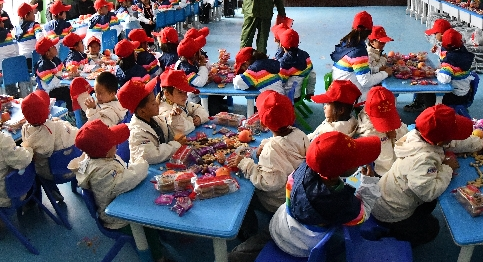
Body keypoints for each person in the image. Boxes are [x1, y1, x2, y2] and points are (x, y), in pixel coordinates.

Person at [362, 104, 483, 247]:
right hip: (391, 213)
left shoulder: (418, 134)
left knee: (430, 202)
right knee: (431, 229)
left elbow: (454, 143)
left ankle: (413, 217)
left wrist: (481, 144)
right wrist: (447, 169)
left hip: (393, 194)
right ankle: (394, 236)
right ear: (440, 142)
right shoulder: (421, 160)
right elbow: (428, 193)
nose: (453, 139)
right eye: (451, 136)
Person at [267, 131, 380, 258]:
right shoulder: (339, 203)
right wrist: (369, 183)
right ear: (336, 175)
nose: (359, 164)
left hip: (279, 226)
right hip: (299, 246)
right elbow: (361, 216)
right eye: (356, 162)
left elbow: (331, 178)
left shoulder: (302, 169)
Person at [70, 120, 167, 262]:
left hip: (121, 200)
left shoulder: (100, 158)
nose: (117, 146)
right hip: (118, 219)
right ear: (105, 151)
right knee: (148, 228)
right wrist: (142, 163)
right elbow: (128, 179)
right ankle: (157, 257)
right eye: (114, 144)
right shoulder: (103, 172)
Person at [227, 91, 310, 252]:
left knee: (242, 195)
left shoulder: (271, 150)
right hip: (296, 190)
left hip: (277, 200)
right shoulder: (298, 133)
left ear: (263, 124)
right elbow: (284, 145)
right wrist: (267, 143)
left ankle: (249, 232)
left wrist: (245, 163)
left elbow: (268, 182)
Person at [118, 76, 185, 165]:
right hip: (148, 170)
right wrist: (175, 145)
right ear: (142, 111)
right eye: (153, 103)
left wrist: (175, 118)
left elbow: (173, 134)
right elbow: (153, 155)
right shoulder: (137, 133)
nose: (157, 103)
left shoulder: (156, 120)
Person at [330, 11, 392, 101]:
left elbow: (356, 69)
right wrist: (385, 73)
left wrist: (377, 69)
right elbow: (365, 81)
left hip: (339, 87)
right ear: (369, 32)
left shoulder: (347, 42)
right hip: (348, 94)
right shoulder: (359, 51)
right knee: (387, 95)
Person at [20, 89, 78, 181]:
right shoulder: (59, 126)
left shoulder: (25, 131)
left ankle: (47, 188)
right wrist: (61, 122)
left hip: (47, 174)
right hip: (72, 169)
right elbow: (76, 134)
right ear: (47, 111)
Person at [354, 85, 407, 176]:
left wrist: (395, 132)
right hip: (385, 171)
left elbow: (404, 133)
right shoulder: (369, 131)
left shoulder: (386, 110)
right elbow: (385, 161)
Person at [419, 29, 477, 109]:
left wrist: (436, 72)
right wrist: (438, 51)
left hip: (456, 96)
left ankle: (431, 111)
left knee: (427, 91)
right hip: (464, 93)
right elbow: (447, 54)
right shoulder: (463, 53)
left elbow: (445, 79)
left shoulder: (450, 62)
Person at [158, 68, 209, 137]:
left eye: (185, 92)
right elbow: (183, 130)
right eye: (180, 92)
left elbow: (199, 108)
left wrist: (199, 117)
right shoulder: (165, 111)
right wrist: (192, 120)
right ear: (167, 94)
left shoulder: (180, 103)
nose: (185, 96)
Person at [277, 28, 314, 99]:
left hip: (286, 97)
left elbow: (280, 83)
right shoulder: (306, 56)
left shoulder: (284, 64)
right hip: (298, 95)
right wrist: (310, 92)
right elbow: (312, 74)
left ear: (281, 45)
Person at [34, 36, 70, 106]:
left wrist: (70, 74)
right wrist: (67, 81)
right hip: (50, 91)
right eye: (53, 47)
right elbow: (53, 83)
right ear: (47, 53)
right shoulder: (42, 67)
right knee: (68, 92)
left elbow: (64, 71)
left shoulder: (56, 60)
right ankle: (71, 111)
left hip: (60, 85)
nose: (55, 48)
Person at [16, 2, 41, 68]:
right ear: (26, 16)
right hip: (35, 61)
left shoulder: (16, 29)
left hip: (22, 62)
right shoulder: (35, 25)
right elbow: (41, 40)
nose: (34, 15)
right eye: (32, 12)